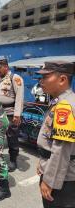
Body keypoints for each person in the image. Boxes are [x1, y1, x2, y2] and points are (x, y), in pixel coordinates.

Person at [35, 61, 75, 208]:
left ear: (62, 79)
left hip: (63, 180)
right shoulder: (61, 101)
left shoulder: (65, 106)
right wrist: (43, 161)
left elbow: (61, 149)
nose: (41, 81)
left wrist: (49, 181)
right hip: (59, 172)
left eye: (46, 77)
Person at [0, 57, 24, 172]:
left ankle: (13, 160)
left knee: (12, 137)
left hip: (10, 113)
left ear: (6, 67)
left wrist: (17, 115)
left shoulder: (15, 78)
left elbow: (19, 97)